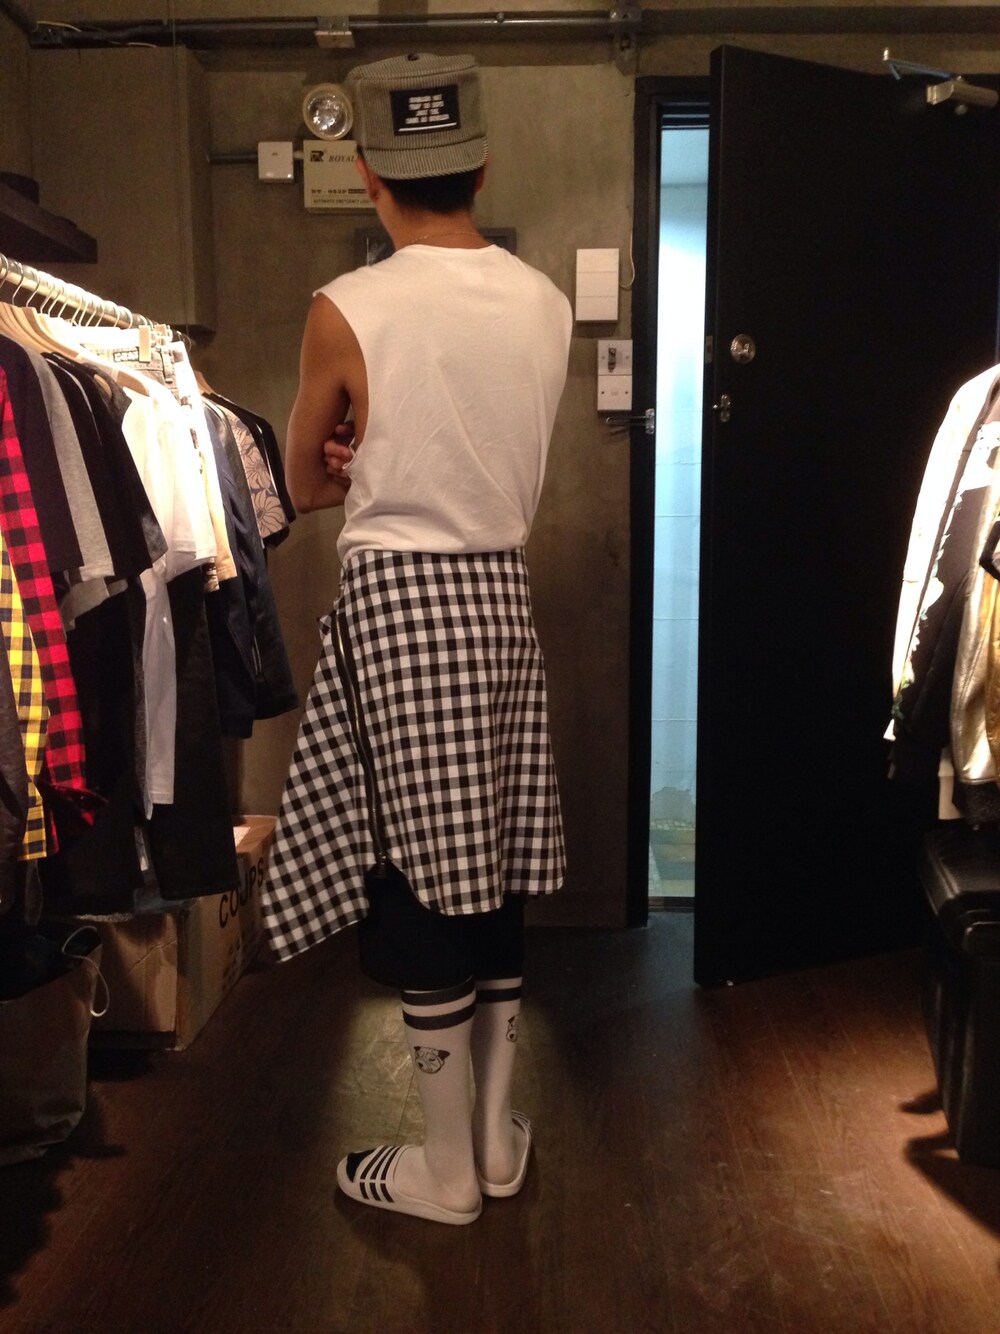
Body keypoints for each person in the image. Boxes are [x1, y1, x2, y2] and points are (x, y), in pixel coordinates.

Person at [260, 52, 572, 1225]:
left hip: (398, 603)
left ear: (368, 172)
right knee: (489, 858)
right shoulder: (543, 301)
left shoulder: (347, 306)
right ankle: (490, 1140)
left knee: (419, 876)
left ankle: (445, 1171)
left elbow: (302, 480)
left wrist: (358, 455)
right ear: (480, 167)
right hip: (499, 598)